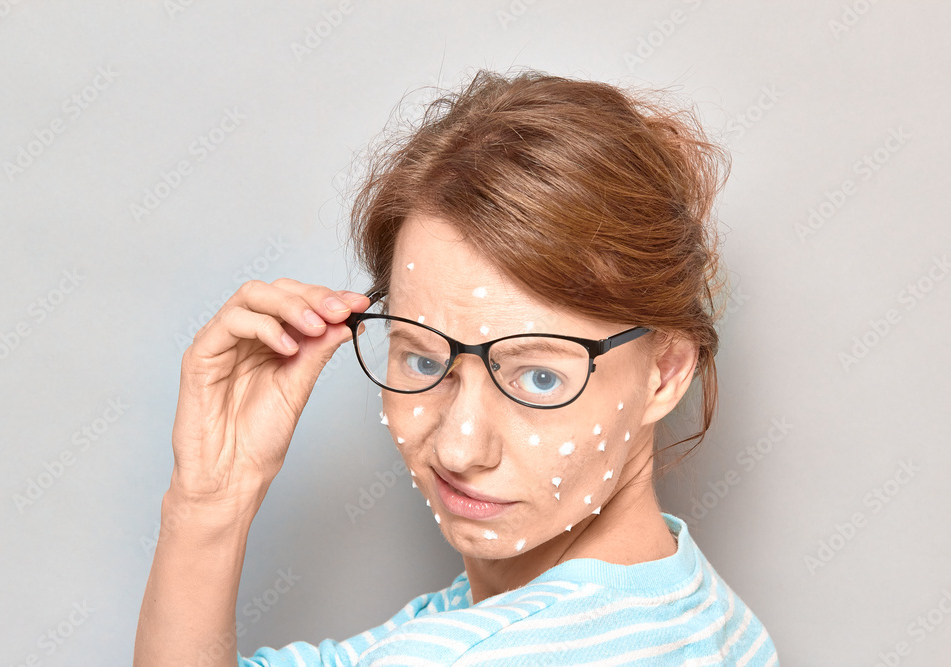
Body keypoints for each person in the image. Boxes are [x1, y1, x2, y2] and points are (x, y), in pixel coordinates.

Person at [134, 68, 779, 666]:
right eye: (423, 357)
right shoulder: (711, 620)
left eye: (539, 377)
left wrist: (204, 515)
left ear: (664, 372)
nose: (459, 445)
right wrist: (212, 498)